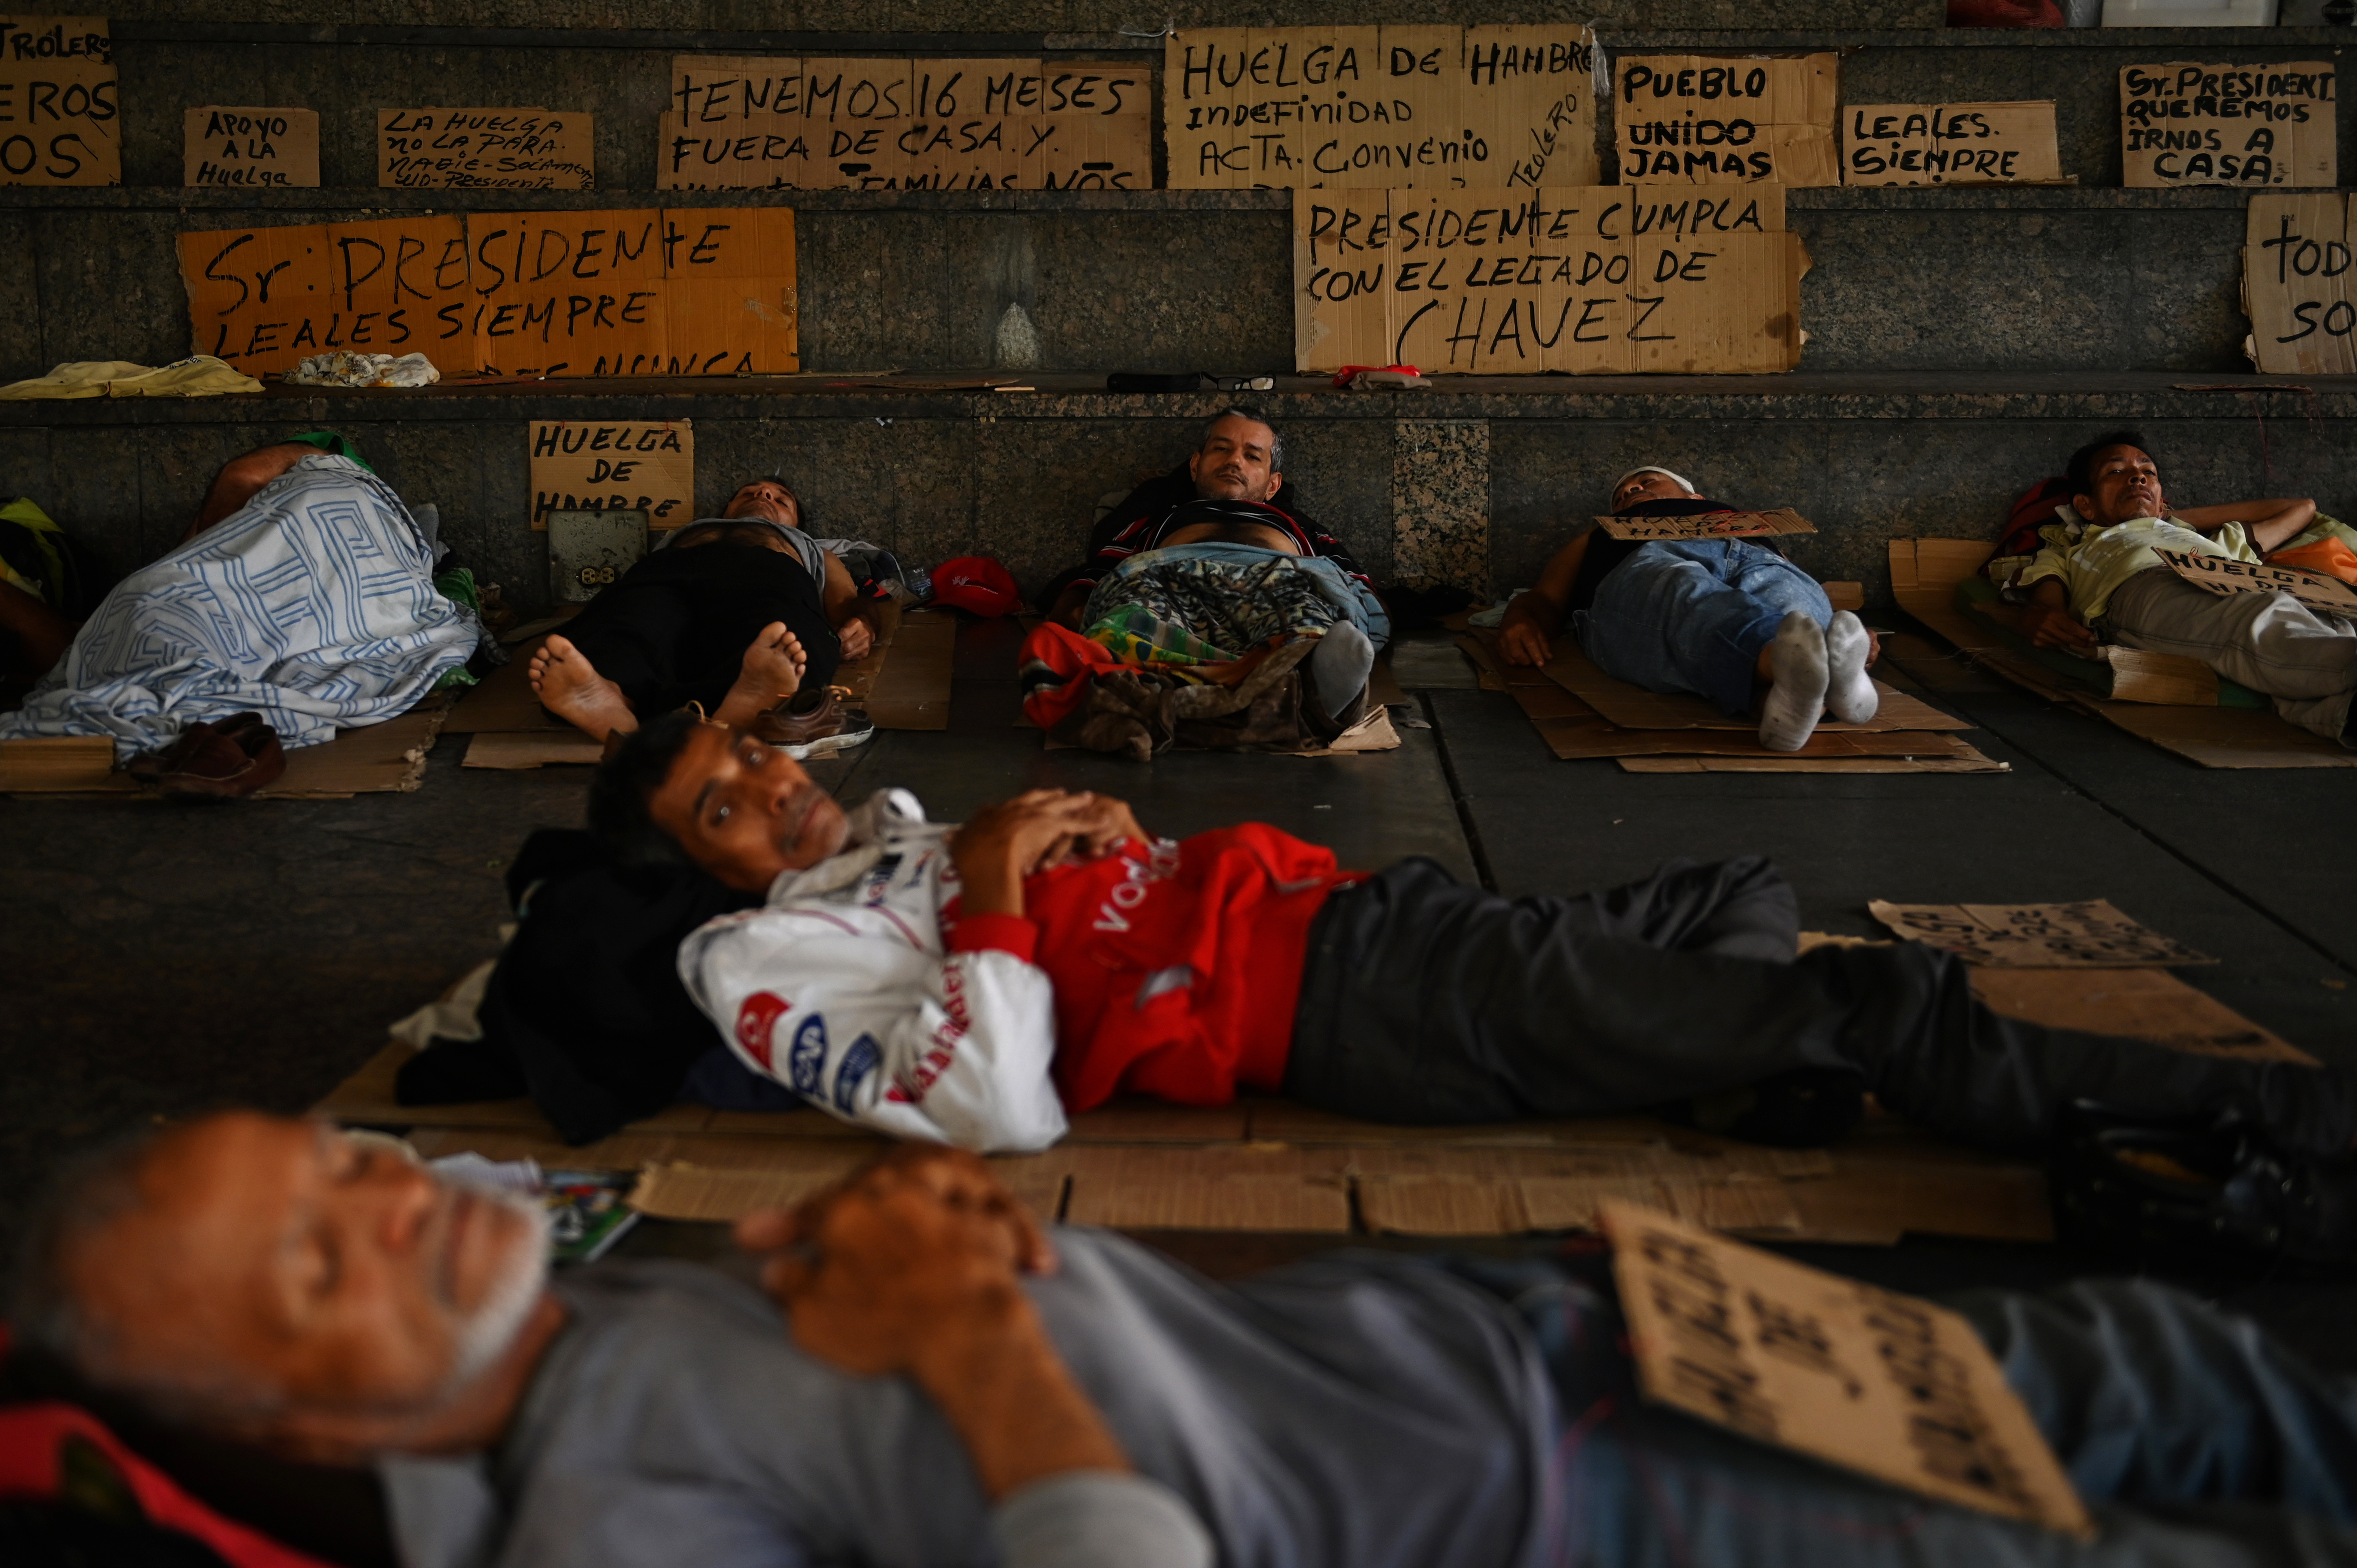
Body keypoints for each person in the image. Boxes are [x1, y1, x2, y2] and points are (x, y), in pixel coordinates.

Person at [25, 1123, 2357, 1568]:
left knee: (2168, 1362)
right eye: (319, 1262)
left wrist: (904, 1215)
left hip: (1543, 1329)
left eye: (330, 1159)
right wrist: (970, 1335)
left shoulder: (562, 1298)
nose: (391, 1199)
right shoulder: (600, 1522)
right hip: (1580, 1502)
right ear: (290, 1407)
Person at [581, 710, 2353, 1171]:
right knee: (1879, 995)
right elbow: (1001, 1112)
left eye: (749, 758)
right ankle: (2287, 1131)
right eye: (724, 811)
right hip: (1357, 997)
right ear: (708, 884)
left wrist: (1086, 843)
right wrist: (993, 883)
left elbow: (1048, 906)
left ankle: (1748, 1073)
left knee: (1733, 884)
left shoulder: (876, 836)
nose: (767, 790)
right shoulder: (754, 971)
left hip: (1374, 914)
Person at [0, 439, 478, 767]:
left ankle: (167, 683)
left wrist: (182, 556)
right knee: (169, 610)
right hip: (320, 568)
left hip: (179, 599)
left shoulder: (318, 470)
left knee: (159, 607)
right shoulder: (348, 495)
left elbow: (239, 480)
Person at [1987, 431, 2355, 746]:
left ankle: (2346, 713)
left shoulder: (2202, 538)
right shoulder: (2071, 547)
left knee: (2332, 623)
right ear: (2085, 505)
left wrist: (2167, 519)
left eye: (2148, 473)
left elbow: (2302, 508)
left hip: (2235, 579)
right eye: (2117, 472)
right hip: (2144, 589)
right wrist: (2040, 616)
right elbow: (2046, 605)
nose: (2138, 479)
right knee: (2255, 619)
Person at [1497, 466, 1878, 752]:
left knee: (1790, 598)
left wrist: (1849, 631)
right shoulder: (1601, 535)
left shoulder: (1747, 524)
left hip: (1755, 558)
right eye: (1622, 496)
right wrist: (1520, 618)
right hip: (1648, 568)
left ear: (1694, 498)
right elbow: (1547, 597)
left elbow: (1799, 584)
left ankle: (1783, 706)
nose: (1631, 489)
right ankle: (1813, 670)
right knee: (1684, 591)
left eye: (1647, 482)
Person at [526, 477, 882, 756]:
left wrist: (863, 625)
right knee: (627, 621)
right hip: (665, 572)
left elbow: (847, 600)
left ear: (797, 521)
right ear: (727, 509)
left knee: (775, 630)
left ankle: (746, 699)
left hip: (765, 574)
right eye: (749, 493)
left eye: (781, 498)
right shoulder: (681, 535)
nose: (764, 496)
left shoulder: (812, 549)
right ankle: (612, 698)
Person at [1041, 409, 1368, 629]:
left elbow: (1356, 586)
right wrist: (1068, 619)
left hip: (1276, 595)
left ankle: (1308, 658)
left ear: (1273, 485)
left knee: (1308, 618)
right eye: (1221, 449)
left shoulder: (1300, 527)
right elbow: (1098, 575)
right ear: (1195, 466)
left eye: (1252, 456)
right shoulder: (1158, 520)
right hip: (1169, 597)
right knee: (1134, 618)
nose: (1234, 461)